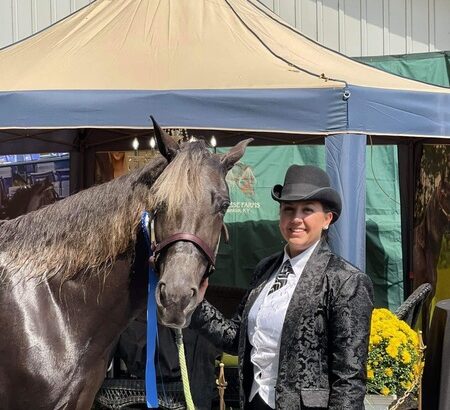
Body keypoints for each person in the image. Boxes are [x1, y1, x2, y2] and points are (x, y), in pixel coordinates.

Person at [192, 164, 374, 410]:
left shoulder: (346, 280)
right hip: (255, 402)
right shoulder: (265, 269)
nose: (296, 219)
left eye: (307, 210)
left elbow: (349, 379)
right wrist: (196, 305)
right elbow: (237, 339)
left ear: (327, 219)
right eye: (288, 209)